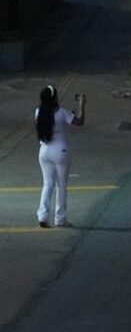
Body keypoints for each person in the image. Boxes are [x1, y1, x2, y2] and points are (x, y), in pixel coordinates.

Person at [35, 86, 85, 228]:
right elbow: (80, 121)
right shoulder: (62, 113)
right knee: (61, 186)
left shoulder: (38, 112)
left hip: (44, 151)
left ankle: (42, 215)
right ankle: (60, 218)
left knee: (47, 184)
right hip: (61, 151)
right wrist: (82, 104)